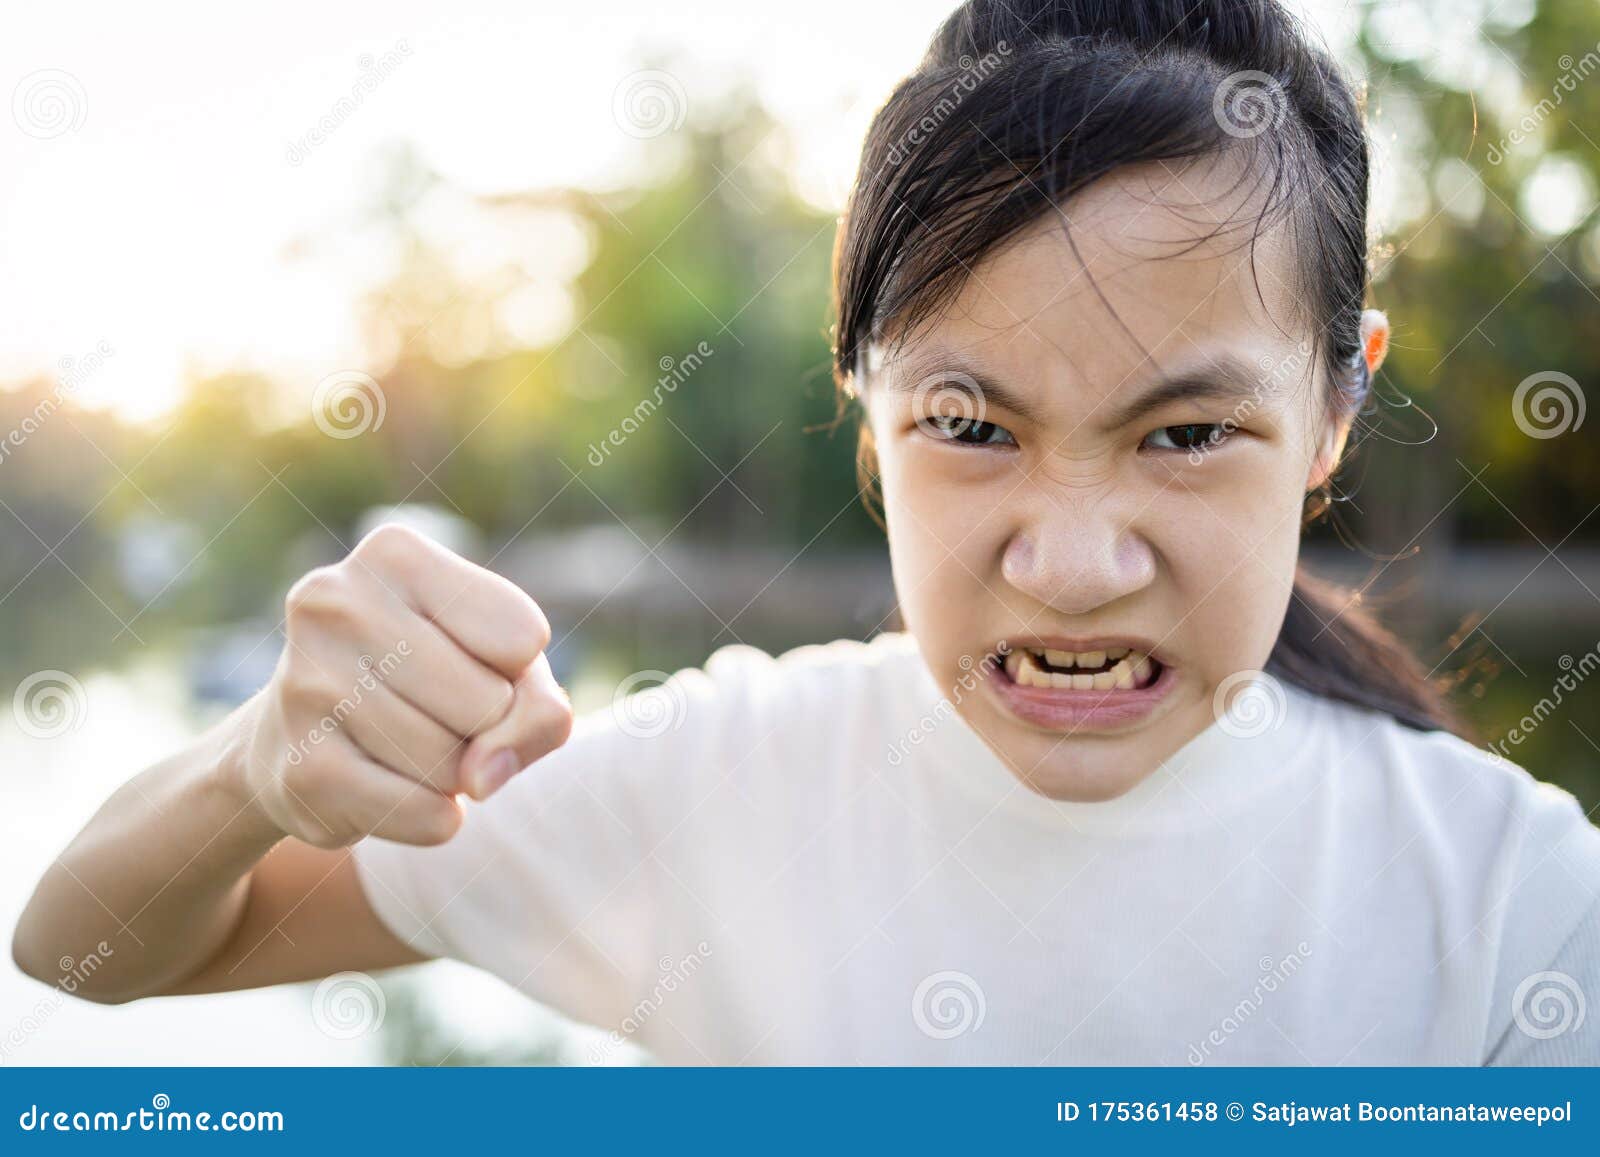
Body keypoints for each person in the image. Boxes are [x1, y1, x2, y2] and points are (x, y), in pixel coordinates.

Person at [15, 0, 1600, 1064]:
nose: (1070, 562)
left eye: (1186, 434)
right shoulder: (722, 780)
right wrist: (253, 770)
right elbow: (82, 953)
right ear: (866, 406)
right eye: (970, 426)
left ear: (1333, 411)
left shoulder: (1517, 905)